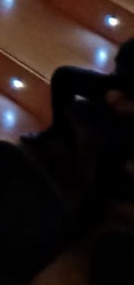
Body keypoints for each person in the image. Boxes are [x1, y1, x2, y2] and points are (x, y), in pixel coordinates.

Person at [21, 38, 134, 205]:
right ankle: (61, 134)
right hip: (123, 88)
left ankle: (102, 191)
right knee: (64, 76)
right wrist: (115, 89)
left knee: (113, 142)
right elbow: (127, 55)